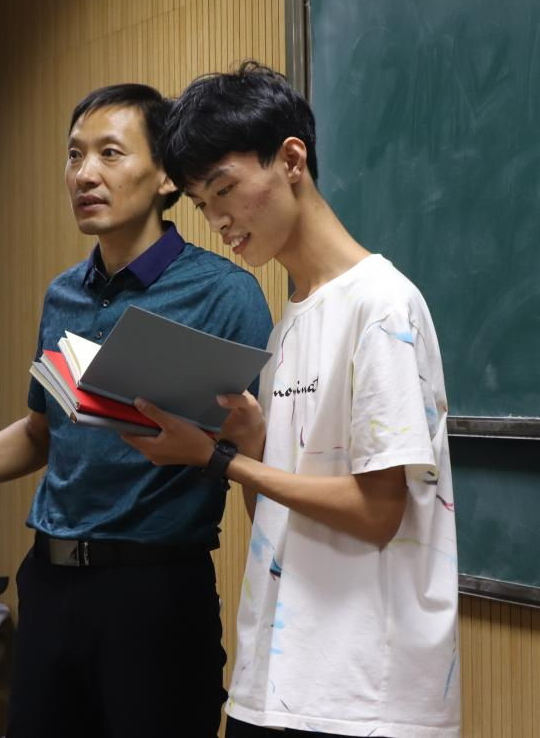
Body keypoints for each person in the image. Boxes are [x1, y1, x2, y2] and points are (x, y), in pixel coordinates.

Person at [126, 62, 461, 738]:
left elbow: (377, 513)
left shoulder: (380, 305)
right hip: (273, 684)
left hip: (362, 698)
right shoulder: (290, 323)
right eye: (202, 203)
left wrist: (218, 460)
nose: (218, 220)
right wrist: (251, 443)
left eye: (225, 189)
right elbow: (274, 520)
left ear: (290, 160)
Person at [0, 83, 273, 738]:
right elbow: (41, 430)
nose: (84, 174)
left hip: (154, 591)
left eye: (110, 153)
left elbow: (256, 452)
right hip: (49, 581)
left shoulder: (225, 294)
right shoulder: (63, 293)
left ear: (167, 176)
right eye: (74, 155)